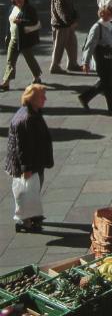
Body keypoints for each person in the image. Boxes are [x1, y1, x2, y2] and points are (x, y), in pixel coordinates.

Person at [4, 83, 52, 233]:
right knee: (27, 192)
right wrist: (27, 168)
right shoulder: (28, 118)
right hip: (30, 164)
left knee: (32, 191)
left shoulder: (31, 112)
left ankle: (33, 217)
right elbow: (23, 147)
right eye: (42, 96)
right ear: (32, 99)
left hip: (34, 162)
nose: (45, 99)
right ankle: (25, 222)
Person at [77, 6, 112, 116]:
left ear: (111, 15)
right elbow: (89, 46)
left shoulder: (111, 25)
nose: (105, 16)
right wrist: (85, 62)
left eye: (108, 14)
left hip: (111, 57)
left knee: (105, 82)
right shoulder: (96, 27)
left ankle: (84, 98)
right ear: (99, 14)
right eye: (103, 13)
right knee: (110, 83)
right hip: (101, 58)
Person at [2, 0, 42, 93]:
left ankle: (37, 76)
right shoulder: (12, 8)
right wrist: (7, 35)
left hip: (24, 39)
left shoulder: (29, 9)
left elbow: (34, 21)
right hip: (13, 39)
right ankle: (6, 82)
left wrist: (21, 21)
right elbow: (9, 23)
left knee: (30, 59)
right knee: (10, 60)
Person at [49, 0, 81, 74]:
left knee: (72, 44)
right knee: (59, 46)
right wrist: (71, 23)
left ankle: (72, 64)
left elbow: (72, 9)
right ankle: (55, 66)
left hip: (67, 25)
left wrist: (75, 18)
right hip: (61, 26)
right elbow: (61, 12)